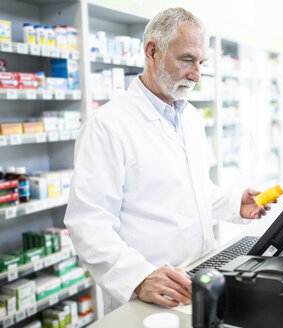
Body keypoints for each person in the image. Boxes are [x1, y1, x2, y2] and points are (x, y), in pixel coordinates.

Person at [64, 8, 272, 312]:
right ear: (152, 51)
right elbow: (88, 223)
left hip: (203, 273)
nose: (196, 74)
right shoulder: (108, 125)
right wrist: (138, 277)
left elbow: (191, 189)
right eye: (187, 59)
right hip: (152, 291)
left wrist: (232, 203)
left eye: (201, 63)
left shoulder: (190, 116)